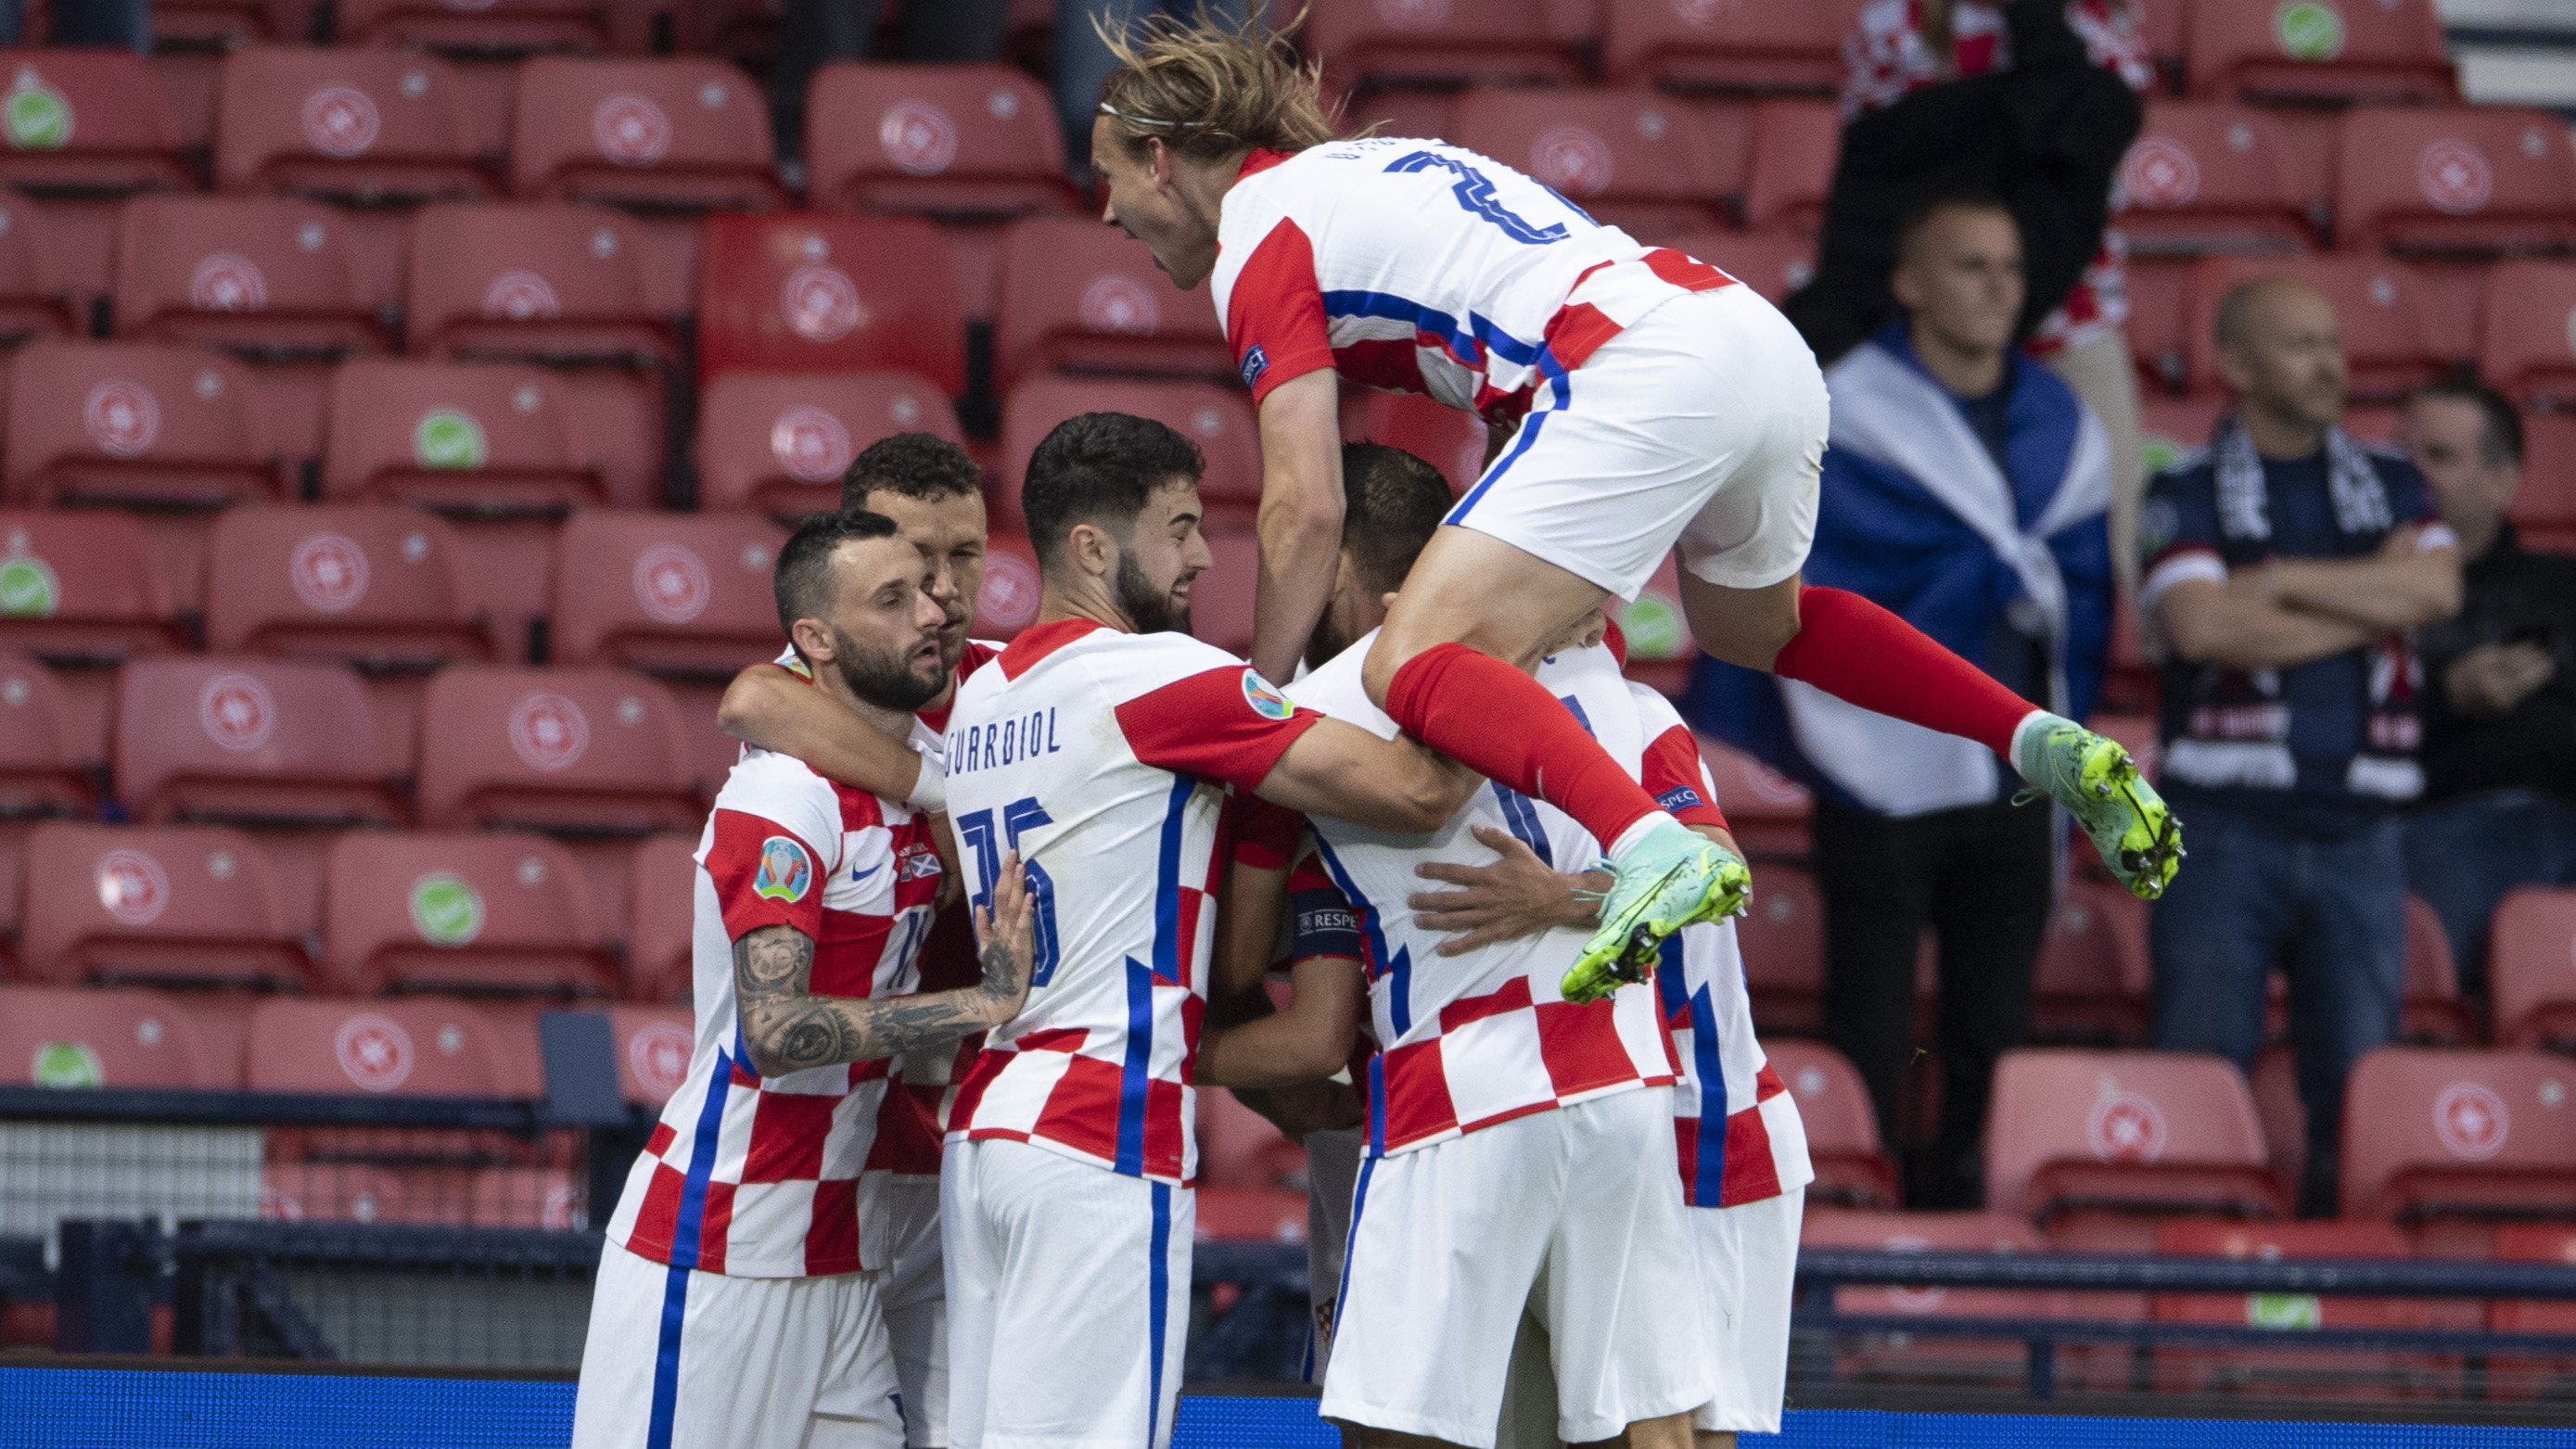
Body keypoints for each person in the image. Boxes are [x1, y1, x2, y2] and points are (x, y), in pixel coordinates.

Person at [1086, 12, 2177, 1009]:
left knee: (1407, 661)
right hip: (1750, 336)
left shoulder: (1258, 231)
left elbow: (1304, 504)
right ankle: (2032, 736)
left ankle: (1650, 846)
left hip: (1634, 365)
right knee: (1761, 625)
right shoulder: (1372, 172)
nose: (1105, 210)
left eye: (1108, 177)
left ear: (1161, 158)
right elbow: (1509, 393)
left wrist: (1268, 701)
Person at [936, 412, 1476, 1449]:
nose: (1203, 557)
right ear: (1093, 547)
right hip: (1099, 1126)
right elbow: (1416, 794)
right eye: (1179, 528)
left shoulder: (982, 696)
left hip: (990, 1121)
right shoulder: (1153, 678)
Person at [570, 510, 1039, 1449]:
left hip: (841, 1257)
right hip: (720, 1244)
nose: (932, 612)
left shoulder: (925, 779)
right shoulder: (783, 796)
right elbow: (776, 1033)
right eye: (892, 599)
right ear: (814, 640)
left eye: (929, 591)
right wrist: (983, 1004)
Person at [1693, 194, 2112, 1207]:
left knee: (1993, 1024)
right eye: (1971, 266)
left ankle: (1974, 1217)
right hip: (1875, 768)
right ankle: (1856, 1214)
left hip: (2017, 772)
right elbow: (1807, 584)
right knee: (1871, 1020)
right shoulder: (1844, 412)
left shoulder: (2062, 423)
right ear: (1911, 283)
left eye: (2010, 269)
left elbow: (2085, 584)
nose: (1997, 289)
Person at [2138, 276, 2462, 1214]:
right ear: (2236, 365)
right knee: (2198, 1081)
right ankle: (2187, 1278)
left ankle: (2345, 1279)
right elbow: (2204, 628)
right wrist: (2369, 605)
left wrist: (2278, 582)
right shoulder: (2183, 485)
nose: (2329, 364)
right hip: (2219, 830)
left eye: (2333, 343)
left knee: (2360, 1101)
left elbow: (2436, 593)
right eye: (2301, 345)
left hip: (2364, 833)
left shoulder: (2394, 478)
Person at [718, 430, 1001, 1449]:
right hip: (818, 1156)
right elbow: (748, 697)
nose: (945, 591)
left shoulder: (1008, 685)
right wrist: (942, 790)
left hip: (960, 1150)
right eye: (917, 561)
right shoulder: (818, 690)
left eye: (966, 556)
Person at [1838, 0, 2153, 594]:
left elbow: (2091, 148)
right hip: (1936, 329)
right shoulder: (1898, 22)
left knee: (2112, 547)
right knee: (1915, 541)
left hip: (2073, 321)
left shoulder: (2097, 17)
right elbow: (1880, 168)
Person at [2399, 375, 2576, 987]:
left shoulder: (2562, 583)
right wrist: (2448, 695)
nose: (2412, 471)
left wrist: (2552, 672)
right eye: (2402, 453)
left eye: (2439, 456)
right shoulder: (2364, 593)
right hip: (2443, 820)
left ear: (2503, 480)